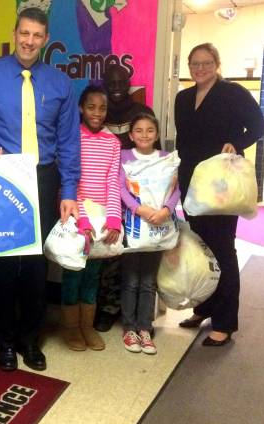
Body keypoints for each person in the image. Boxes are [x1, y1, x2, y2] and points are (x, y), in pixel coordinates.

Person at [0, 7, 80, 371]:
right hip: (2, 177)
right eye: (25, 33)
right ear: (15, 33)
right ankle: (5, 342)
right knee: (5, 263)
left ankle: (30, 340)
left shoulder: (59, 83)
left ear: (45, 39)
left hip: (44, 177)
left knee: (37, 265)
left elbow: (69, 140)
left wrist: (68, 189)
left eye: (37, 35)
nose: (30, 41)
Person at [175, 43, 264, 346]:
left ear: (216, 63)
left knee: (222, 249)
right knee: (199, 248)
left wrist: (235, 143)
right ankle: (204, 307)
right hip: (191, 181)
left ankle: (225, 322)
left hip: (220, 186)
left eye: (206, 62)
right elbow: (183, 141)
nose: (200, 68)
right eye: (195, 63)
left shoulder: (233, 93)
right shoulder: (183, 98)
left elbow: (257, 126)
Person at [94, 64, 157, 333]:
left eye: (122, 82)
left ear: (129, 82)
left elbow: (156, 155)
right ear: (105, 84)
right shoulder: (98, 113)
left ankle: (132, 312)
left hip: (137, 195)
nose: (117, 88)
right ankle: (107, 308)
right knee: (108, 253)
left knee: (133, 254)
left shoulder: (142, 113)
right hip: (105, 191)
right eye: (111, 83)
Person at [59, 86, 120, 352]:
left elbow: (113, 184)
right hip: (74, 216)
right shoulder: (71, 139)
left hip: (100, 221)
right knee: (73, 273)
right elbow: (68, 182)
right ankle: (71, 328)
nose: (97, 113)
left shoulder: (113, 143)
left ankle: (87, 326)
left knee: (93, 275)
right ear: (81, 109)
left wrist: (114, 220)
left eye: (102, 108)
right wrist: (80, 221)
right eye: (91, 107)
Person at [119, 113, 180, 355]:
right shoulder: (124, 156)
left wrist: (166, 210)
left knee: (148, 281)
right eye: (139, 130)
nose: (145, 135)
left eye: (150, 130)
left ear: (157, 135)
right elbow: (120, 187)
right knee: (131, 280)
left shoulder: (167, 158)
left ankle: (145, 327)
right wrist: (138, 208)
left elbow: (176, 188)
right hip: (135, 226)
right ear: (131, 135)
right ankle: (129, 328)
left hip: (159, 227)